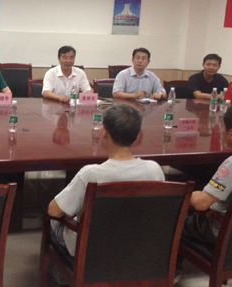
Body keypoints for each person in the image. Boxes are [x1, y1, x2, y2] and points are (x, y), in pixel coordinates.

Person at [47, 104, 164, 256]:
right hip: (139, 247)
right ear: (137, 135)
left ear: (103, 132)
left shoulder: (91, 174)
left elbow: (54, 210)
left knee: (55, 220)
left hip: (92, 250)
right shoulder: (154, 170)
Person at [181, 104, 232, 251]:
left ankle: (171, 263)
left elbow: (201, 204)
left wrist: (187, 195)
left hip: (220, 231)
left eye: (222, 126)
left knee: (170, 217)